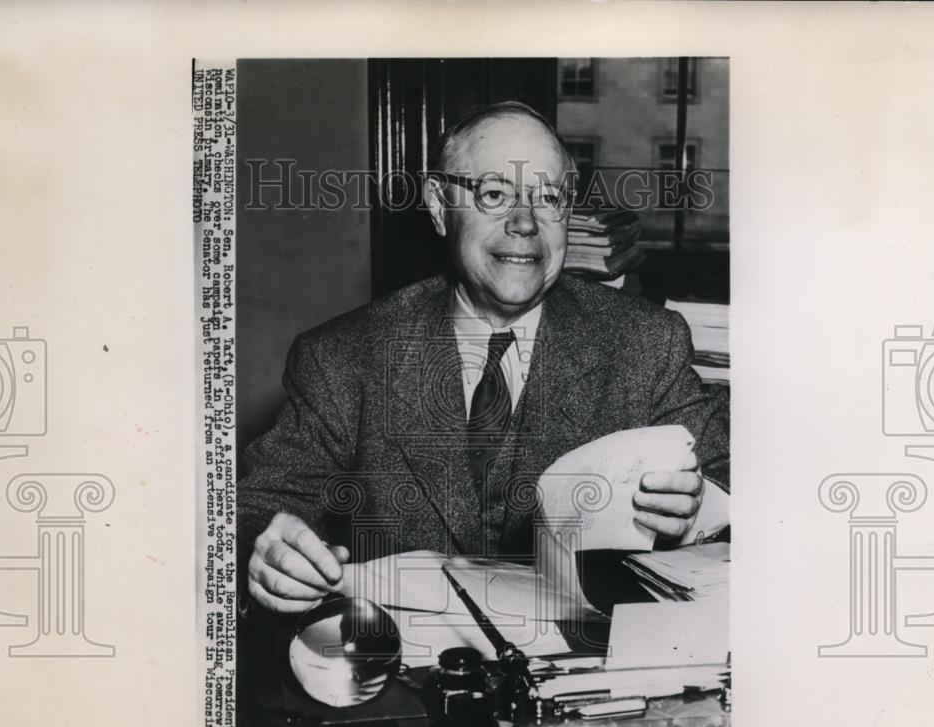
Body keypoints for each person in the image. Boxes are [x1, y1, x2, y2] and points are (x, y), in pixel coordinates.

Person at [238, 101, 729, 614]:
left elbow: (729, 488)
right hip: (399, 672)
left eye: (549, 198)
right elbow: (265, 505)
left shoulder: (646, 343)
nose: (524, 223)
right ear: (437, 204)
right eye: (495, 194)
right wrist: (271, 552)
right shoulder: (342, 358)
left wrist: (696, 511)